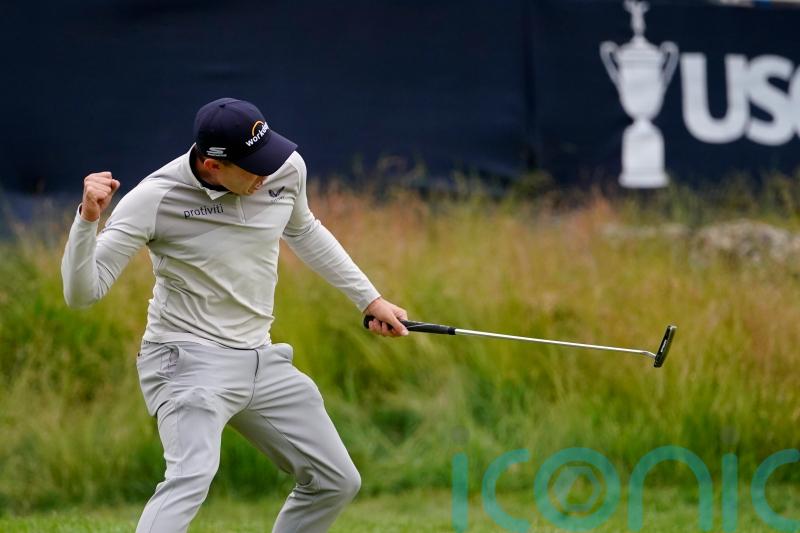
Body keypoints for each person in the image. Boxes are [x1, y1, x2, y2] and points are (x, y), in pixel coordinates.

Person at [61, 97, 408, 533]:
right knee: (191, 476)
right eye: (253, 166)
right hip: (185, 360)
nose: (267, 174)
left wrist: (370, 300)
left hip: (260, 360)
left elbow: (304, 230)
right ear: (211, 166)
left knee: (336, 480)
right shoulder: (153, 198)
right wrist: (87, 221)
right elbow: (82, 292)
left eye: (268, 158)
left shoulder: (285, 169)